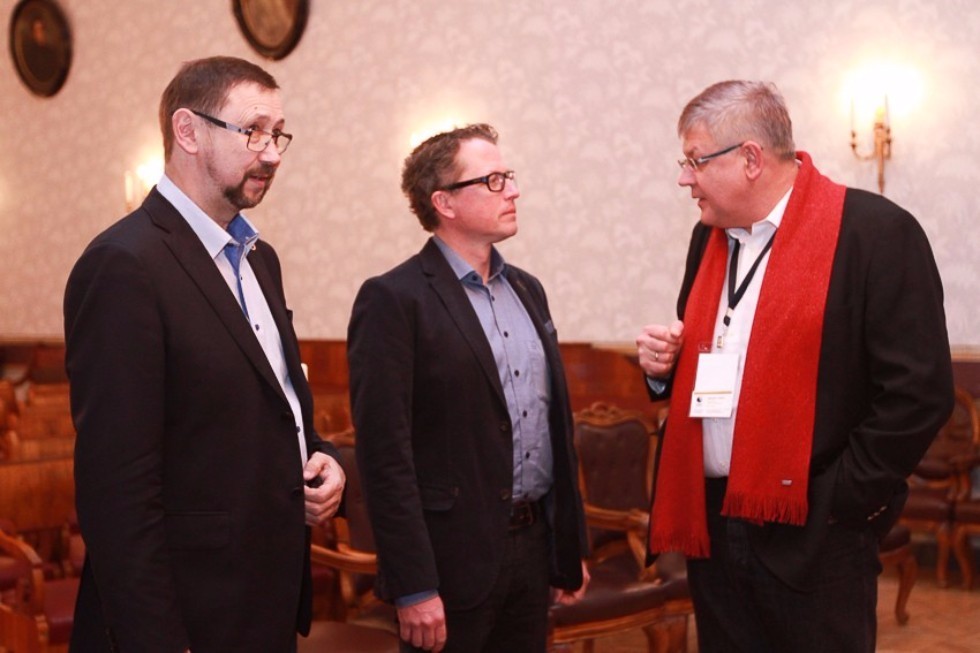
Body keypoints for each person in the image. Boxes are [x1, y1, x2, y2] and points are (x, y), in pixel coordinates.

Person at [636, 80, 955, 652]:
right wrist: (664, 370)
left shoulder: (873, 233)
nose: (685, 178)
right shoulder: (708, 240)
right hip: (714, 527)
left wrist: (840, 501)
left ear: (750, 158)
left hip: (815, 532)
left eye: (695, 160)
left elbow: (919, 393)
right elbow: (723, 363)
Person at [64, 56, 345, 652]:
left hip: (263, 599)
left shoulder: (260, 260)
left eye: (277, 134)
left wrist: (322, 458)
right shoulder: (124, 264)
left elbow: (272, 405)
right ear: (188, 131)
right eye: (253, 131)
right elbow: (117, 492)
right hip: (186, 615)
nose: (271, 154)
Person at [347, 124, 590, 652]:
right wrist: (412, 584)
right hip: (449, 561)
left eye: (510, 176)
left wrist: (567, 546)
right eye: (493, 180)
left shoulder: (527, 289)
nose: (513, 190)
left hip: (533, 548)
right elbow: (384, 456)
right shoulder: (394, 299)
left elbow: (553, 425)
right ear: (445, 202)